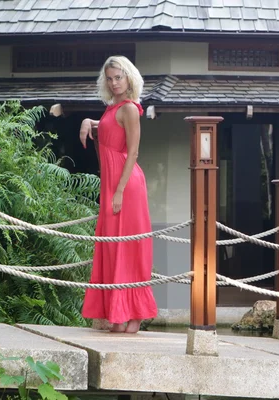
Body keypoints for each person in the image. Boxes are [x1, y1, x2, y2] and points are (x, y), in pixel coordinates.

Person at [79, 56, 157, 333]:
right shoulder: (113, 109)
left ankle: (135, 314)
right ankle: (117, 311)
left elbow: (133, 151)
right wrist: (88, 121)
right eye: (110, 78)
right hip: (112, 183)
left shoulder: (130, 109)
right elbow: (110, 132)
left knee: (128, 247)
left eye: (118, 78)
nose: (114, 83)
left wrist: (120, 191)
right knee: (112, 246)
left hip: (126, 185)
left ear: (129, 78)